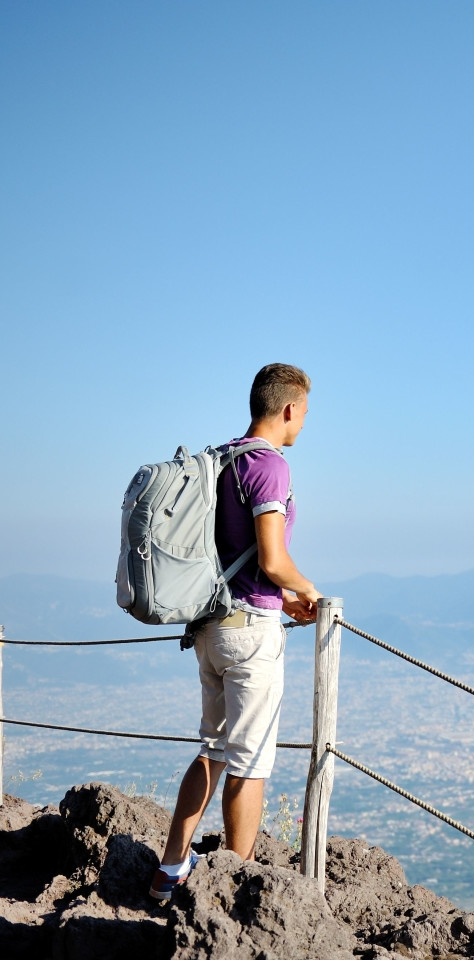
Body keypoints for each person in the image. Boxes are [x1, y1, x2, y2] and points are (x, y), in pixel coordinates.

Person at [150, 363, 323, 900]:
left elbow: (235, 553)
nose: (305, 423)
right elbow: (272, 559)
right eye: (306, 413)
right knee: (250, 762)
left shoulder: (221, 460)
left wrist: (283, 593)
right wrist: (312, 592)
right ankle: (234, 884)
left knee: (214, 749)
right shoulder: (270, 467)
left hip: (209, 625)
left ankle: (170, 870)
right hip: (249, 633)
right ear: (290, 408)